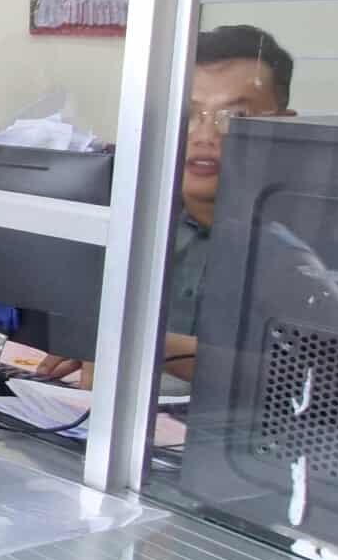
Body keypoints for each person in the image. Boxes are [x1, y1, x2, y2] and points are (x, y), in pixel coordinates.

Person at [37, 24, 295, 387]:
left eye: (233, 117)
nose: (205, 135)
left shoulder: (306, 246)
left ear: (285, 128)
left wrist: (139, 345)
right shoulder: (137, 222)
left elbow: (304, 374)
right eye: (189, 115)